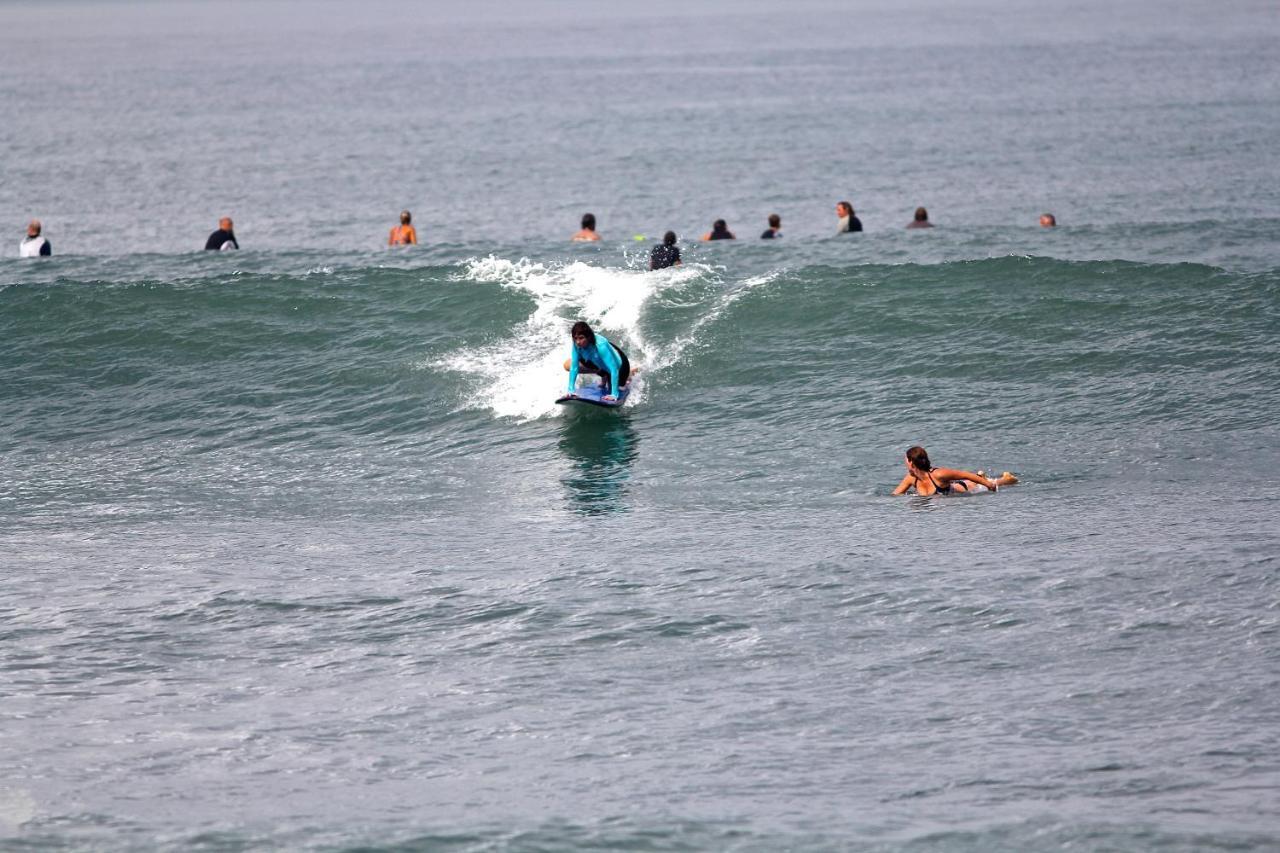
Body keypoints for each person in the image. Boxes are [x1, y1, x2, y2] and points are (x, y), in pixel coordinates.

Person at [892, 446, 1019, 496]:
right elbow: (895, 496)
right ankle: (981, 476)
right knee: (979, 479)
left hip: (966, 488)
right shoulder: (911, 478)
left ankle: (1005, 479)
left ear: (910, 462)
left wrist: (990, 485)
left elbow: (965, 475)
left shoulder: (938, 474)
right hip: (954, 489)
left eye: (905, 460)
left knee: (987, 483)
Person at [563, 320, 631, 402]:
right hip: (599, 362)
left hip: (620, 366)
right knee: (569, 364)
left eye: (581, 338)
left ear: (588, 337)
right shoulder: (577, 344)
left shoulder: (600, 345)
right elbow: (574, 367)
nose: (578, 342)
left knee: (620, 385)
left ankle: (630, 373)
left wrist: (614, 394)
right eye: (575, 338)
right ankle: (604, 375)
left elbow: (614, 369)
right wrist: (571, 390)